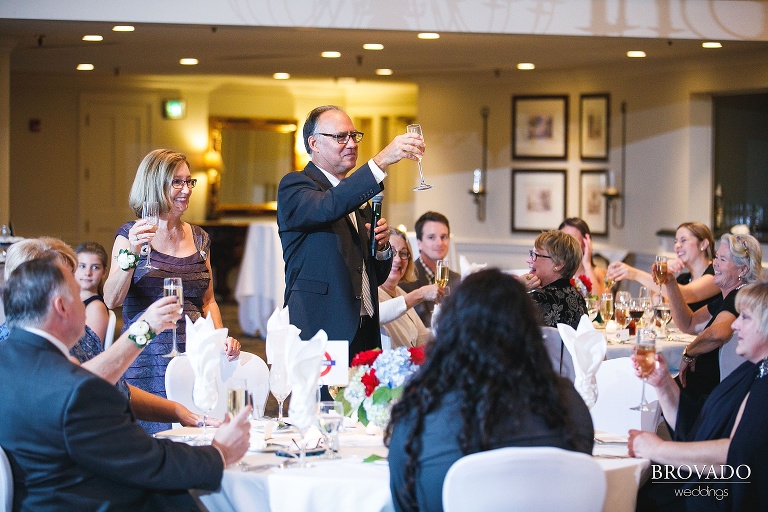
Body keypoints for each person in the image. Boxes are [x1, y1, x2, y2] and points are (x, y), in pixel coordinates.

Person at [0, 255, 251, 511]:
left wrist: (177, 411)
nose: (85, 304)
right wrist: (219, 452)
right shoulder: (76, 390)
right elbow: (149, 463)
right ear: (61, 306)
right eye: (78, 295)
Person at [386, 269, 594, 512]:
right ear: (529, 332)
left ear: (451, 332)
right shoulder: (569, 406)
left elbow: (404, 501)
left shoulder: (420, 416)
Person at [1, 237, 215, 429]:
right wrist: (144, 329)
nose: (79, 292)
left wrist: (176, 411)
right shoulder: (19, 349)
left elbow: (115, 387)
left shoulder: (79, 335)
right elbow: (78, 386)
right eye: (68, 284)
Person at [103, 149, 240, 434]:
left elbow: (208, 301)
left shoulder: (200, 238)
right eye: (177, 182)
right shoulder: (130, 234)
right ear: (154, 185)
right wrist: (133, 253)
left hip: (194, 358)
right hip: (146, 358)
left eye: (189, 182)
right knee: (153, 440)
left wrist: (220, 339)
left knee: (197, 436)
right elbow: (111, 299)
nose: (187, 190)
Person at [277, 105, 421, 360]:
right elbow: (328, 206)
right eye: (340, 137)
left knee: (364, 388)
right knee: (324, 390)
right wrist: (380, 161)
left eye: (354, 136)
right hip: (322, 326)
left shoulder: (357, 196)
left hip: (365, 327)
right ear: (314, 143)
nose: (352, 144)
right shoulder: (296, 185)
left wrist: (382, 247)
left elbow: (374, 276)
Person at [629, 279, 768, 511]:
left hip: (723, 497)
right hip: (707, 484)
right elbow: (699, 425)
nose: (734, 326)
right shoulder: (753, 371)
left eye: (745, 317)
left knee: (636, 495)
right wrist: (663, 383)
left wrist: (657, 449)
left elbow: (737, 456)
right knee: (635, 486)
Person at [662, 233, 762, 401]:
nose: (715, 263)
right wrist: (671, 283)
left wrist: (689, 353)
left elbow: (717, 334)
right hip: (700, 388)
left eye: (722, 259)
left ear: (743, 270)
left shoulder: (740, 299)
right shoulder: (726, 298)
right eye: (716, 257)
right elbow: (689, 323)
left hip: (707, 395)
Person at [606, 222, 720, 311]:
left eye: (683, 240)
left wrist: (634, 274)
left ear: (703, 244)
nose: (677, 246)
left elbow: (686, 295)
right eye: (675, 241)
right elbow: (657, 305)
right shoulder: (684, 279)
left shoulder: (717, 274)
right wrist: (664, 274)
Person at [378, 228, 442, 348]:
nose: (398, 260)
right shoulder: (372, 292)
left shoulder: (400, 293)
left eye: (403, 253)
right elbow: (377, 315)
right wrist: (421, 293)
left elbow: (423, 338)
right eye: (391, 252)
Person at [399, 211, 461, 327]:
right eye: (431, 237)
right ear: (419, 243)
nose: (439, 243)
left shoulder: (456, 279)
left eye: (444, 237)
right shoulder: (405, 279)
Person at [527, 230, 587, 329]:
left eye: (536, 255)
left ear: (558, 264)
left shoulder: (539, 299)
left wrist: (518, 288)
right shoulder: (578, 298)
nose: (528, 260)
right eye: (531, 254)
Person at [558, 217, 608, 297]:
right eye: (563, 239)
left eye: (572, 239)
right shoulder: (554, 272)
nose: (566, 245)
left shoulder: (599, 273)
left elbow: (600, 302)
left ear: (585, 243)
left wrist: (587, 265)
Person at [75, 241, 110, 344]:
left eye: (95, 267)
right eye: (82, 266)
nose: (88, 273)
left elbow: (90, 349)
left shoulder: (96, 307)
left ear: (104, 272)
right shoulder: (69, 300)